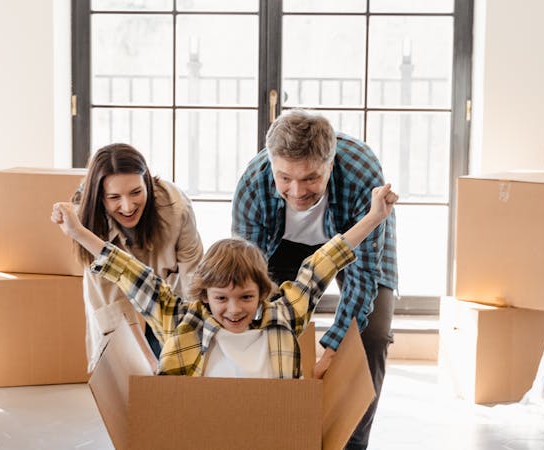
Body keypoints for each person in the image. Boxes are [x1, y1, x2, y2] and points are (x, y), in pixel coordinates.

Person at [51, 184, 397, 379]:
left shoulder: (284, 316)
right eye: (221, 299)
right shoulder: (183, 322)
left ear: (263, 293)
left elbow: (322, 264)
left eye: (246, 297)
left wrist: (373, 217)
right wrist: (78, 232)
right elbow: (129, 271)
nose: (234, 310)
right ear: (204, 296)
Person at [231, 110, 398, 448]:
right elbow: (245, 275)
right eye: (285, 178)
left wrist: (334, 346)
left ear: (330, 163)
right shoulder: (253, 184)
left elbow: (363, 274)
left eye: (310, 178)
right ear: (272, 164)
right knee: (264, 323)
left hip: (353, 239)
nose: (296, 191)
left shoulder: (362, 174)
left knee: (372, 334)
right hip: (281, 246)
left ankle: (350, 442)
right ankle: (275, 430)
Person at [71, 143, 203, 371]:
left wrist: (194, 340)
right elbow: (114, 306)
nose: (128, 206)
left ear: (148, 184)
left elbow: (194, 275)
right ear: (100, 197)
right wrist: (149, 363)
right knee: (131, 370)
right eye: (114, 197)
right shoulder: (87, 224)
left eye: (136, 192)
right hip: (116, 301)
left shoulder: (176, 207)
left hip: (168, 295)